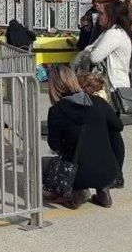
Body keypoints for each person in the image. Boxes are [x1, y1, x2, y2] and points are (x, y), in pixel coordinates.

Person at [45, 65, 124, 209]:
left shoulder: (56, 111)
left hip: (77, 173)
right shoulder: (98, 102)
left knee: (46, 163)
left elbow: (54, 145)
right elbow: (118, 126)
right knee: (113, 133)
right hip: (109, 169)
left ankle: (77, 191)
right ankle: (103, 188)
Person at [83, 0, 132, 95]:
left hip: (113, 87)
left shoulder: (114, 33)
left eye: (102, 13)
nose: (99, 16)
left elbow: (94, 57)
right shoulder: (109, 31)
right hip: (115, 85)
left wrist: (90, 50)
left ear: (111, 15)